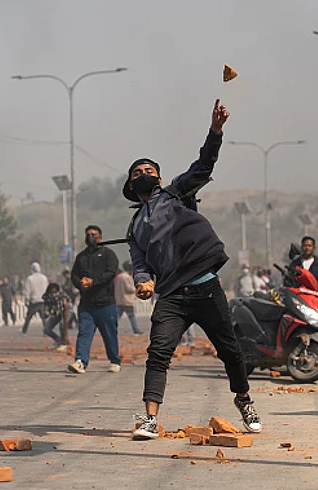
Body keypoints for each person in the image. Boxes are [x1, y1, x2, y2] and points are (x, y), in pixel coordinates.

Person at [125, 99, 261, 440]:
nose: (143, 174)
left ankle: (244, 399)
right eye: (136, 172)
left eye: (148, 170)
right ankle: (150, 419)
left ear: (157, 176)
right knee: (158, 353)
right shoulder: (135, 227)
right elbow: (140, 265)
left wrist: (215, 130)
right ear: (130, 185)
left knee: (229, 350)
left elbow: (203, 166)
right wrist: (143, 282)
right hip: (171, 294)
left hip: (205, 286)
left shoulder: (176, 194)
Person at [68, 225, 122, 374]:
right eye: (88, 234)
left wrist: (93, 281)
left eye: (93, 234)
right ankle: (80, 361)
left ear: (100, 237)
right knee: (84, 333)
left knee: (109, 334)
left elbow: (111, 272)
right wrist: (81, 284)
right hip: (87, 304)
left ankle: (115, 361)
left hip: (105, 303)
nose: (90, 237)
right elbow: (74, 275)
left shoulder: (108, 254)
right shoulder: (81, 257)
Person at [114, 261, 143, 334]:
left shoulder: (119, 276)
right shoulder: (126, 277)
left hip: (119, 300)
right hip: (127, 301)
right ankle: (136, 330)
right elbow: (128, 288)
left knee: (117, 317)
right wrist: (137, 288)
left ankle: (112, 329)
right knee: (132, 317)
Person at [21, 262, 48, 335]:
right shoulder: (44, 278)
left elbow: (27, 290)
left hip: (34, 301)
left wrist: (26, 300)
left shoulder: (30, 278)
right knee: (44, 318)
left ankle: (24, 331)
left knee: (28, 318)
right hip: (42, 301)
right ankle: (46, 331)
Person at [42, 282, 67, 350]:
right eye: (52, 291)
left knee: (62, 326)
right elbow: (46, 307)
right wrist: (47, 312)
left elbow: (67, 301)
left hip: (63, 313)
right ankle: (58, 340)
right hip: (55, 314)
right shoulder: (46, 297)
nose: (54, 293)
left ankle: (64, 343)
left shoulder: (61, 295)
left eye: (55, 291)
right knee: (46, 329)